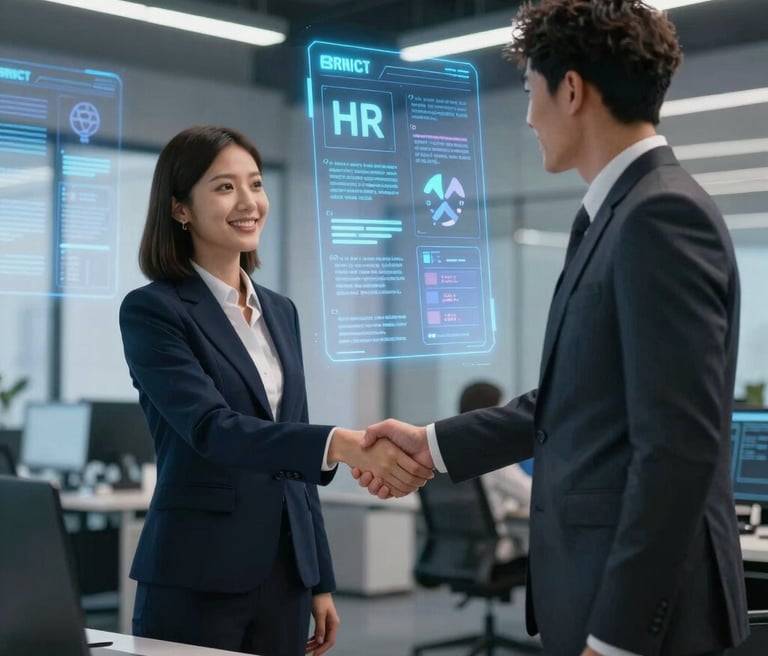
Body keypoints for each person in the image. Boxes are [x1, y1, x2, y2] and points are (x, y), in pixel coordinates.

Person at [356, 2, 750, 655]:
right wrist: (432, 444)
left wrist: (617, 637)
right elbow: (575, 402)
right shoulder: (616, 217)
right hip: (596, 591)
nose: (529, 115)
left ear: (571, 90)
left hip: (645, 620)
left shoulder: (661, 216)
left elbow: (678, 450)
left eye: (529, 91)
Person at [119, 125, 433, 656]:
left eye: (256, 184)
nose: (249, 202)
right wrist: (341, 443)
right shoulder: (154, 310)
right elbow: (211, 429)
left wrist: (319, 577)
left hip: (285, 574)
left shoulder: (280, 311)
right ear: (180, 210)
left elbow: (294, 460)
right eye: (224, 187)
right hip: (199, 573)